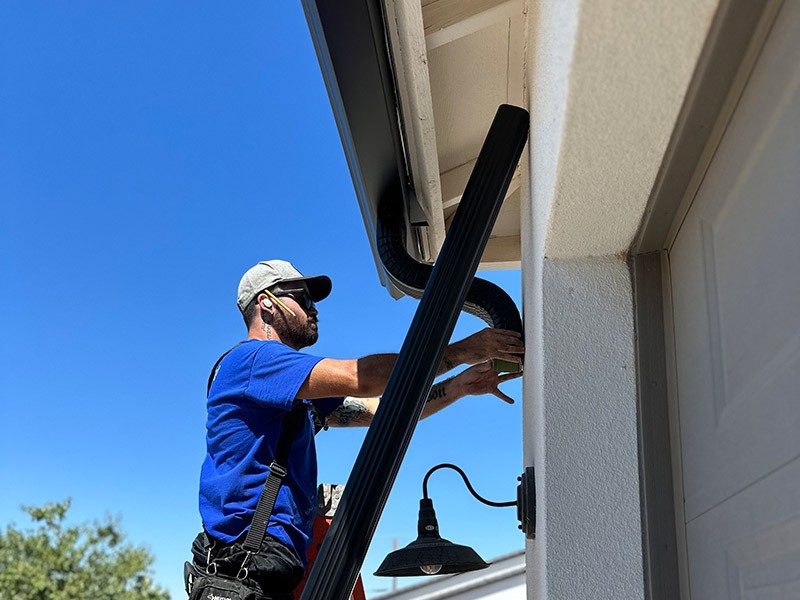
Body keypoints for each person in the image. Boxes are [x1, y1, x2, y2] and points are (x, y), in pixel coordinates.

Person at [191, 260, 524, 598]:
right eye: (303, 300)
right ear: (266, 303)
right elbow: (360, 378)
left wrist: (460, 386)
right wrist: (462, 351)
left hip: (267, 566)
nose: (314, 308)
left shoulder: (285, 392)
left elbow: (381, 412)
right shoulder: (254, 360)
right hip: (246, 561)